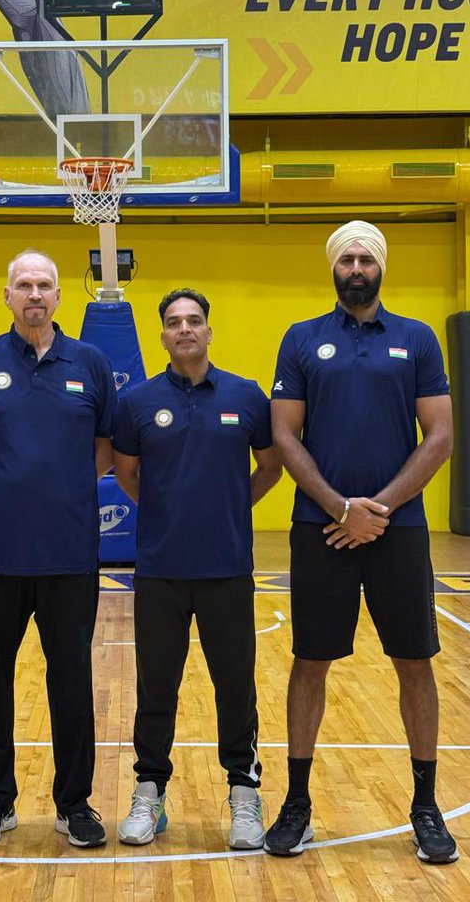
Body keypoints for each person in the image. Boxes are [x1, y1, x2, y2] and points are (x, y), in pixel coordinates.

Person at [265, 221, 457, 863]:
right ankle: (297, 803)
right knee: (310, 661)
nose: (355, 268)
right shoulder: (301, 338)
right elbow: (284, 435)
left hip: (398, 530)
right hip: (320, 528)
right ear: (333, 267)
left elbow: (439, 436)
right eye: (346, 258)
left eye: (365, 259)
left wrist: (378, 510)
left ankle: (425, 806)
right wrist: (340, 508)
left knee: (414, 661)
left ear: (380, 268)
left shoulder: (417, 338)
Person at [0, 250, 117, 849]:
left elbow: (104, 448)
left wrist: (58, 491)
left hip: (69, 552)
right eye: (24, 284)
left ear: (59, 296)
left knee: (71, 680)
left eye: (44, 285)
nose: (35, 294)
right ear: (7, 295)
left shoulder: (90, 363)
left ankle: (75, 804)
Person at [112, 289, 281, 849]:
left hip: (226, 568)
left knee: (235, 687)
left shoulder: (246, 395)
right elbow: (127, 474)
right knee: (156, 687)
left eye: (193, 320)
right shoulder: (137, 402)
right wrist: (167, 512)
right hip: (160, 570)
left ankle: (244, 794)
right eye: (174, 322)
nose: (184, 328)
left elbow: (271, 466)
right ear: (162, 335)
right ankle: (149, 792)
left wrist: (231, 507)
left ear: (209, 330)